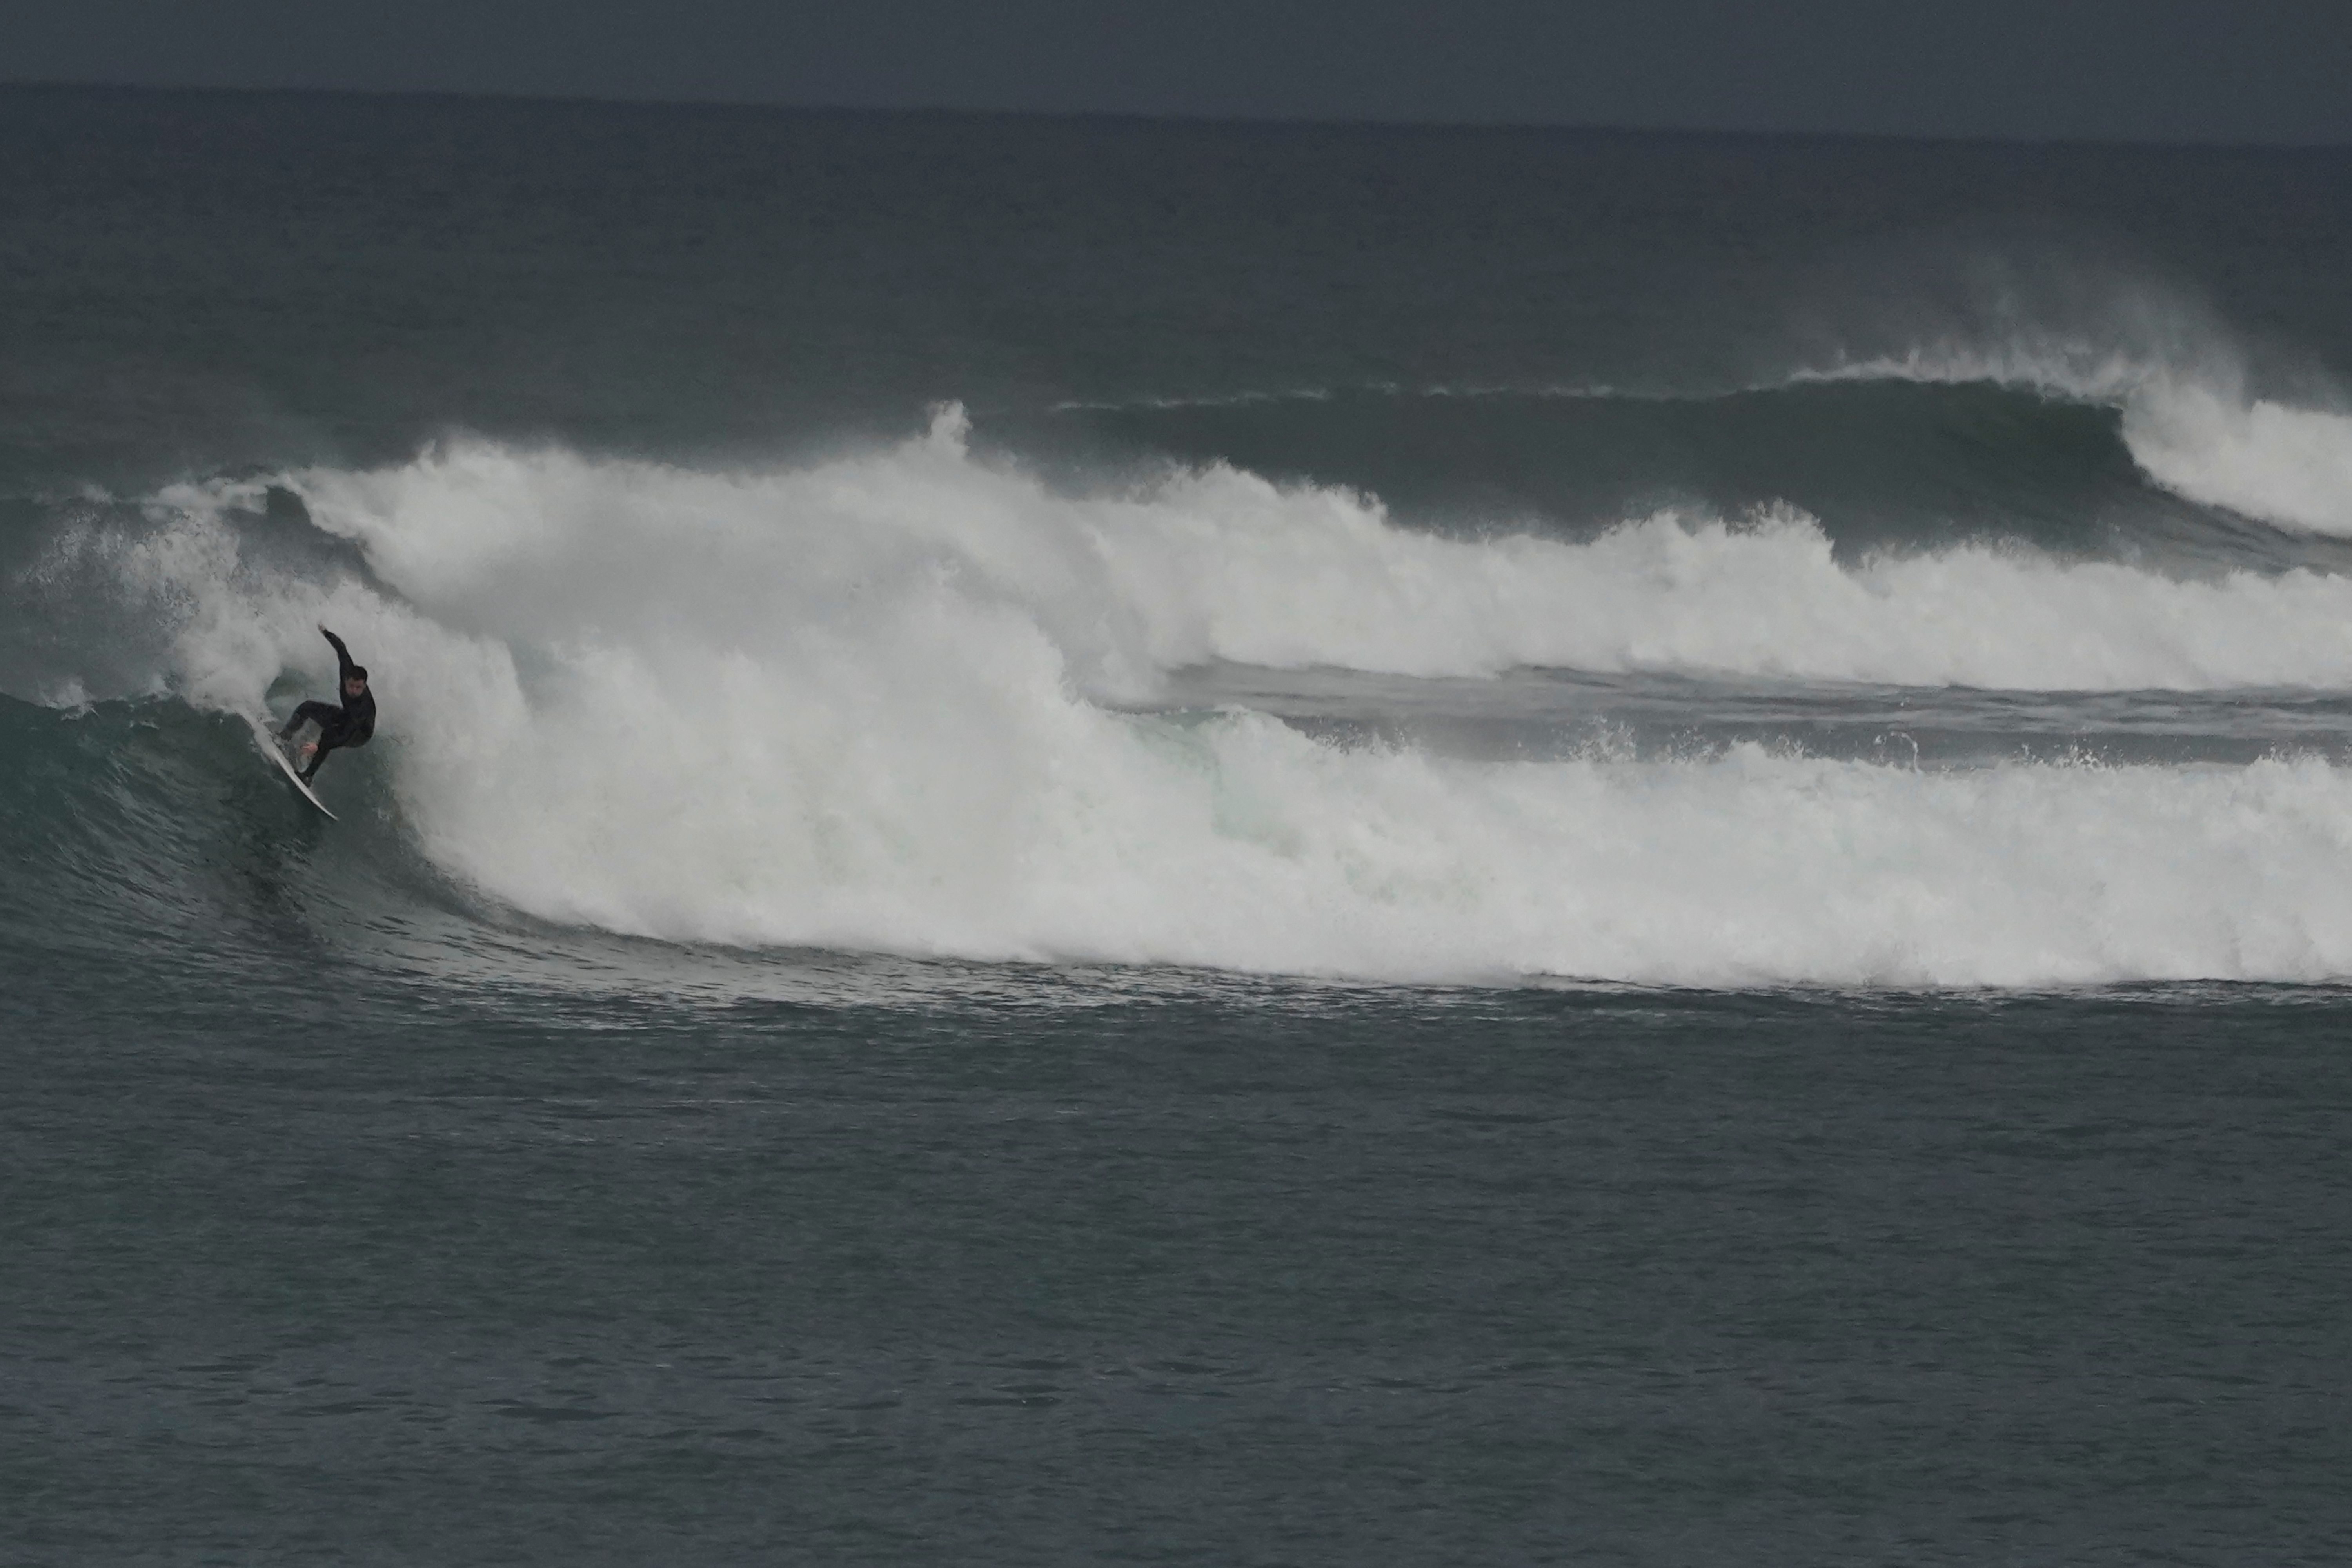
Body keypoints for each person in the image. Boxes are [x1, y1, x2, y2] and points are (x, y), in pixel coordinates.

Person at [279, 624, 377, 783]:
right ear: (346, 679)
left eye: (359, 688)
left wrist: (318, 747)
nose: (353, 690)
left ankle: (308, 775)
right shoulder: (347, 670)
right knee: (307, 707)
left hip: (360, 733)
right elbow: (341, 649)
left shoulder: (362, 707)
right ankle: (284, 737)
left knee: (328, 737)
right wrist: (326, 632)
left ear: (365, 686)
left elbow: (346, 735)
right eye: (351, 686)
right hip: (347, 716)